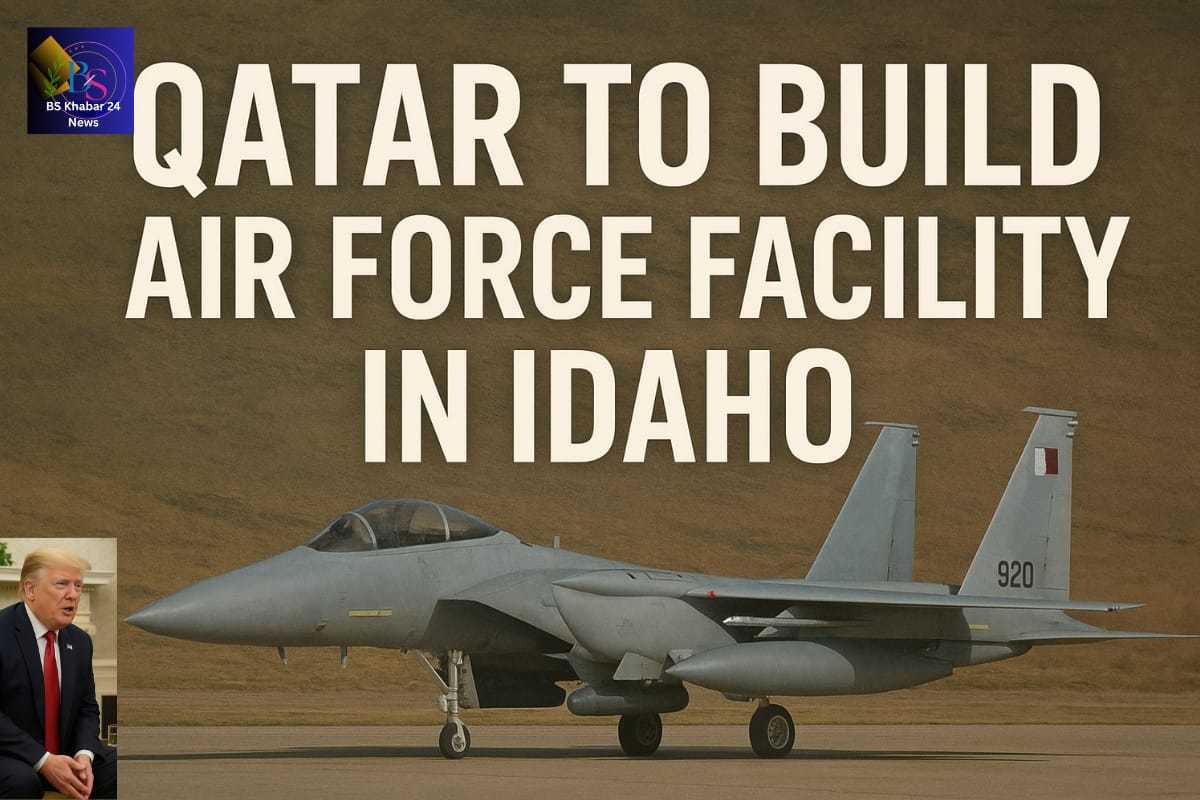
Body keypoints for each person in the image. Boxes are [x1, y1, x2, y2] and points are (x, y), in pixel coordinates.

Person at [0, 548, 116, 799]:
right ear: (31, 590)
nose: (73, 595)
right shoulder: (2, 632)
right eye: (62, 584)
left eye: (78, 585)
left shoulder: (81, 641)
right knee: (23, 781)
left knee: (117, 765)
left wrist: (84, 754)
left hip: (64, 751)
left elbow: (87, 708)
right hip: (10, 754)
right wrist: (43, 760)